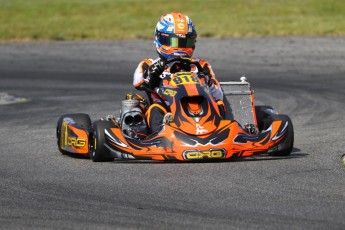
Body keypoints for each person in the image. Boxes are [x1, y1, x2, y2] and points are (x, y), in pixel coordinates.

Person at [133, 12, 225, 133]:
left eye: (185, 43)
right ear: (161, 39)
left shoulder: (201, 65)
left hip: (200, 107)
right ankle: (162, 134)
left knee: (218, 103)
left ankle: (222, 132)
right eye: (174, 42)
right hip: (167, 107)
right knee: (155, 108)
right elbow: (138, 82)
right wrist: (153, 73)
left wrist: (205, 79)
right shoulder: (148, 64)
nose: (180, 48)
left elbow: (218, 95)